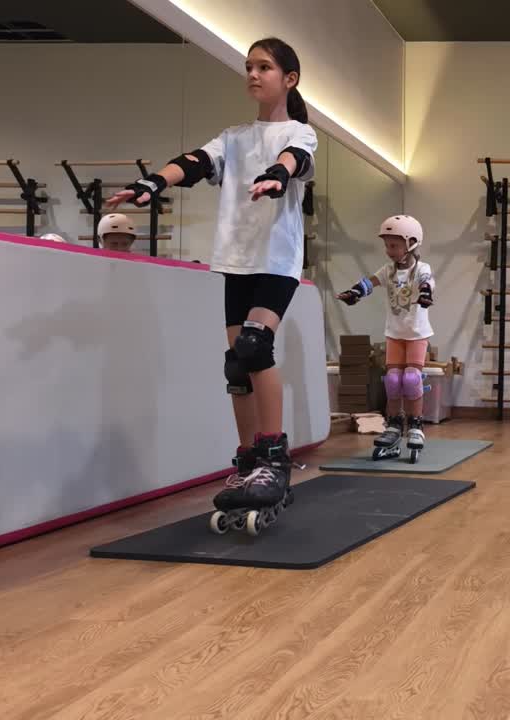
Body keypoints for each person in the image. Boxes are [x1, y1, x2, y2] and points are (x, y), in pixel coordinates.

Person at [105, 37, 316, 535]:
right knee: (236, 365)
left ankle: (273, 458)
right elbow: (195, 161)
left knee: (255, 344)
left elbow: (292, 159)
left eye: (265, 67)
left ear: (289, 79)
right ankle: (247, 462)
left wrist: (275, 177)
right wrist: (152, 183)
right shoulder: (234, 136)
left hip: (276, 261)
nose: (253, 74)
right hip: (235, 262)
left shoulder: (300, 132)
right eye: (249, 67)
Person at [337, 215, 435, 462]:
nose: (388, 250)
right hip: (394, 334)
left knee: (412, 379)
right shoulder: (389, 270)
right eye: (387, 245)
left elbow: (428, 282)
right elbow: (371, 282)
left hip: (416, 334)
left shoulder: (421, 269)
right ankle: (394, 425)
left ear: (411, 243)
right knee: (392, 380)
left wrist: (425, 294)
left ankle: (415, 426)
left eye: (394, 245)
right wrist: (355, 292)